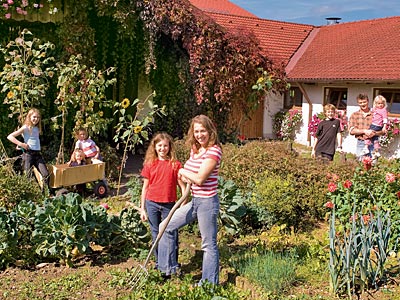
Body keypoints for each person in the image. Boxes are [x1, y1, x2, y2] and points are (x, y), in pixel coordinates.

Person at [158, 115, 222, 286]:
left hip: (207, 203)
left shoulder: (214, 151)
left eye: (203, 131)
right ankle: (169, 268)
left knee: (208, 245)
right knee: (165, 226)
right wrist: (185, 174)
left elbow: (200, 178)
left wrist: (183, 172)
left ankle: (209, 284)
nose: (199, 135)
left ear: (210, 131)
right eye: (196, 131)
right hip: (194, 201)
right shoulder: (196, 149)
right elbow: (188, 174)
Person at [138, 132, 186, 269]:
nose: (162, 149)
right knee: (156, 233)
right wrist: (142, 208)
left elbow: (183, 188)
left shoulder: (175, 165)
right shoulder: (150, 164)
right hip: (152, 203)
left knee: (170, 234)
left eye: (165, 146)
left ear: (170, 147)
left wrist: (182, 206)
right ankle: (160, 264)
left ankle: (172, 266)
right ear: (154, 147)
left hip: (169, 205)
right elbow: (145, 188)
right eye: (159, 146)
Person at [7, 108, 49, 189]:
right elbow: (10, 136)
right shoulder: (25, 127)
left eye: (38, 117)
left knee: (46, 174)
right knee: (28, 177)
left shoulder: (37, 128)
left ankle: (45, 194)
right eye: (34, 117)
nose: (36, 119)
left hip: (37, 155)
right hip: (28, 154)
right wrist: (20, 144)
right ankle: (30, 196)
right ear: (29, 117)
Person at [349, 93, 382, 159]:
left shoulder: (375, 114)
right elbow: (351, 131)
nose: (363, 104)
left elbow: (383, 131)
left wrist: (374, 133)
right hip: (361, 143)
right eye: (360, 103)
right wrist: (364, 131)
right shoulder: (355, 115)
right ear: (358, 103)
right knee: (360, 164)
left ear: (368, 101)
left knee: (373, 164)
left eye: (364, 102)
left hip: (374, 143)